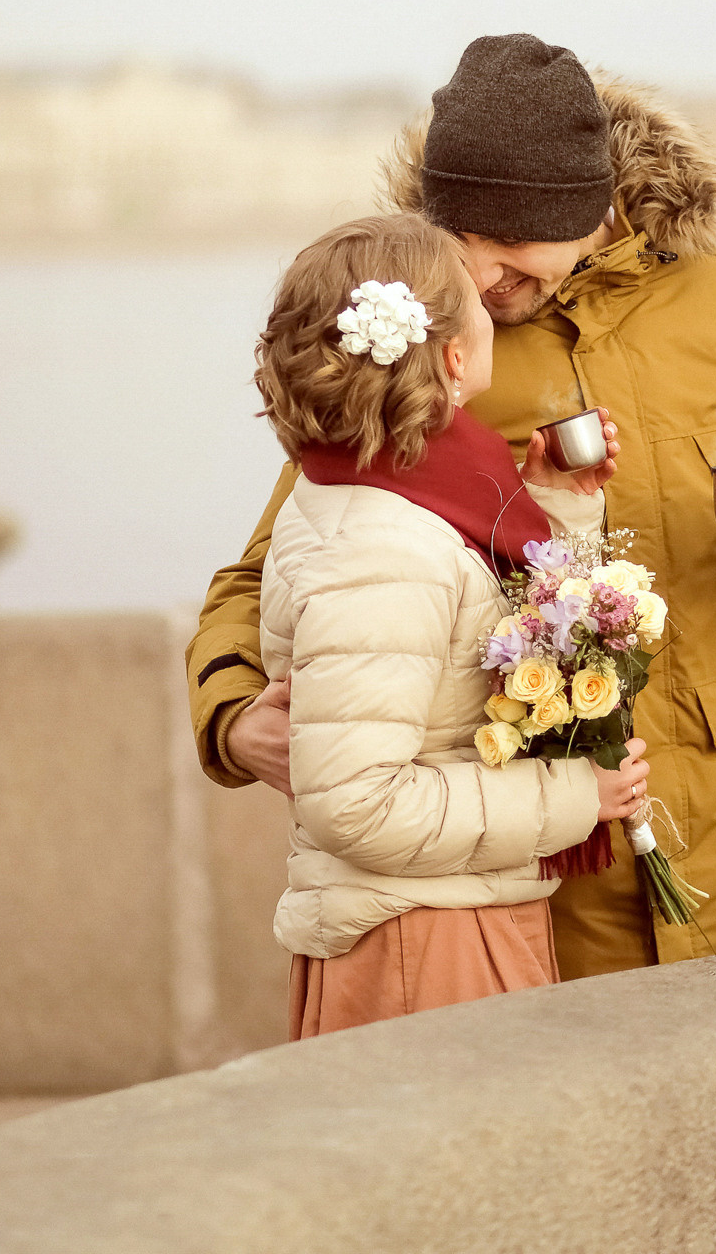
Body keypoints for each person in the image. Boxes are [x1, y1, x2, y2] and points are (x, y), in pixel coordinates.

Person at [192, 34, 716, 979]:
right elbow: (276, 563)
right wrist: (234, 719)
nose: (482, 281)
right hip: (546, 873)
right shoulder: (427, 350)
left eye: (509, 252)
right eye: (462, 249)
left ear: (586, 207)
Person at [253, 212, 653, 1037]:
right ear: (455, 357)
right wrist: (578, 793)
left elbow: (454, 652)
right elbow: (360, 805)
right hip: (422, 943)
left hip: (441, 912)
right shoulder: (383, 542)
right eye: (475, 299)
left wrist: (556, 507)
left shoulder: (401, 485)